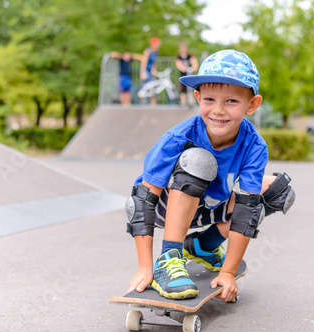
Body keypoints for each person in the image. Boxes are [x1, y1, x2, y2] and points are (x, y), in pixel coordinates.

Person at [125, 49, 296, 302]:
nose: (218, 110)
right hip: (167, 207)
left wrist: (228, 272)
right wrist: (145, 265)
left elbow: (247, 209)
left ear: (252, 105)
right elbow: (143, 200)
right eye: (209, 100)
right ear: (198, 97)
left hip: (209, 206)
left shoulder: (254, 145)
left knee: (277, 190)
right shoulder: (177, 138)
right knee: (198, 160)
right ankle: (169, 258)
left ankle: (202, 245)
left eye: (231, 101)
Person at [140, 37, 161, 105]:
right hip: (145, 70)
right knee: (144, 87)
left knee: (152, 87)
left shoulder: (156, 52)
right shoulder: (147, 51)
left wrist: (154, 70)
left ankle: (153, 104)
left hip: (151, 71)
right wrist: (143, 72)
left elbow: (154, 62)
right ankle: (143, 103)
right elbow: (144, 62)